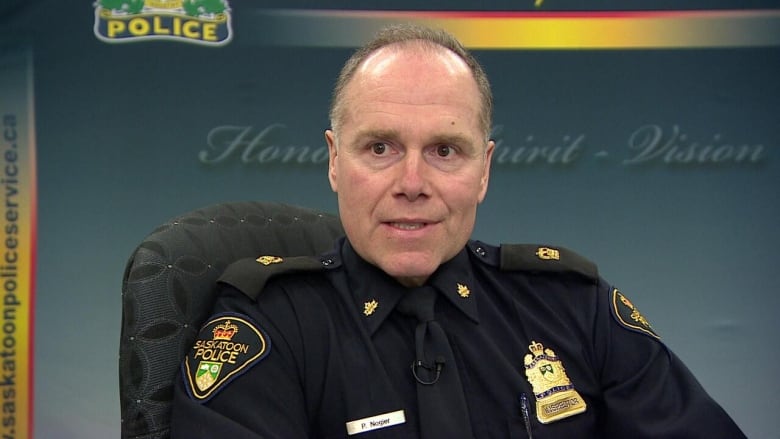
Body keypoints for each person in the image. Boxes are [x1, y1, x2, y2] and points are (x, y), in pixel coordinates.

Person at [171, 24, 746, 438]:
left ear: (484, 170)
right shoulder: (267, 325)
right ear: (333, 161)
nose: (412, 182)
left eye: (445, 150)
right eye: (380, 148)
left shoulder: (576, 308)